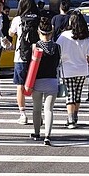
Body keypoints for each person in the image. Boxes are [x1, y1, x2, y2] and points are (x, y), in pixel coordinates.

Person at [56, 11, 89, 129]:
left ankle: (70, 120)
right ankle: (75, 116)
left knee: (70, 95)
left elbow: (57, 51)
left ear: (71, 21)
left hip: (67, 69)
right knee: (78, 94)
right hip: (82, 69)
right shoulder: (86, 36)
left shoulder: (64, 36)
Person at [9, 0, 39, 125]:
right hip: (37, 57)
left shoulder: (18, 19)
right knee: (36, 85)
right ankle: (37, 113)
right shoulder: (39, 18)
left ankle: (23, 114)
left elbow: (11, 33)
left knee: (20, 86)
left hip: (21, 56)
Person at [30, 17, 60, 145]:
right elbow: (58, 64)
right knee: (49, 110)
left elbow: (30, 66)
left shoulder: (35, 47)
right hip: (52, 81)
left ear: (39, 31)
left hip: (37, 81)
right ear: (51, 32)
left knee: (36, 109)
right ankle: (48, 135)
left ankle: (37, 133)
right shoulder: (57, 47)